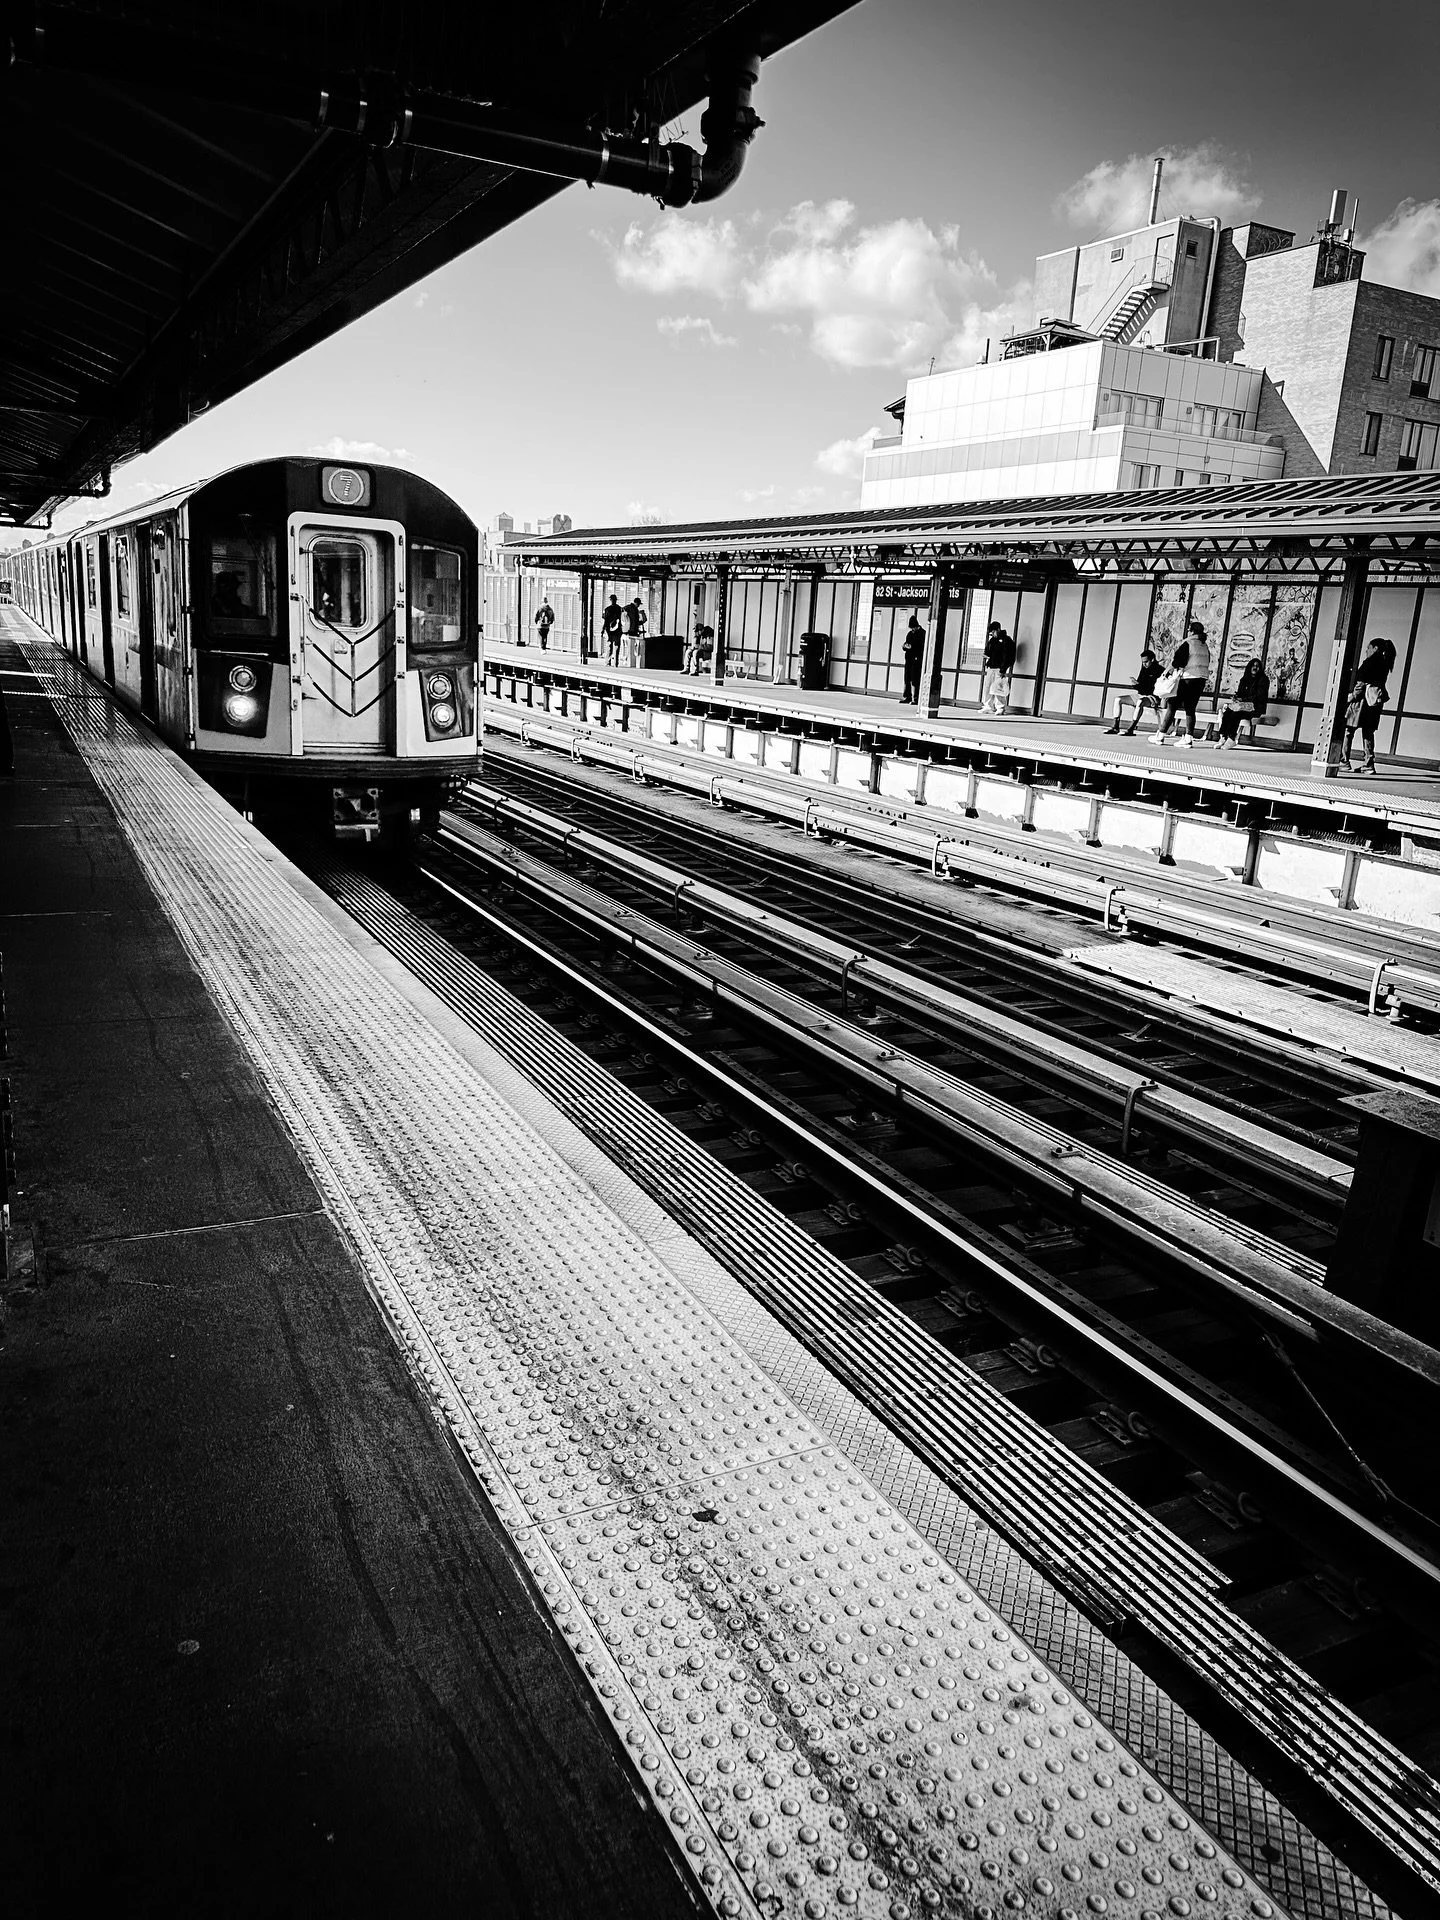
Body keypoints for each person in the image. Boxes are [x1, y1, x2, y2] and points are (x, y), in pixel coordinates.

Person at [1342, 637, 1396, 773]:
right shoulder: (1385, 663)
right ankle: (1369, 764)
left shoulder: (1369, 663)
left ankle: (1344, 761)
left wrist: (1350, 697)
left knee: (1348, 731)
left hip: (1360, 704)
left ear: (1375, 648)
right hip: (1374, 704)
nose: (1366, 650)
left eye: (1368, 647)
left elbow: (1359, 687)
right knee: (1368, 732)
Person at [1153, 619, 1211, 747]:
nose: (1188, 632)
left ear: (1192, 631)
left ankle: (1160, 735)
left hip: (1187, 679)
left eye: (1189, 630)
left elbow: (1177, 661)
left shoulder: (1188, 643)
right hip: (1201, 680)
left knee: (1172, 705)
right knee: (1190, 708)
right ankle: (1188, 738)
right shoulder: (1204, 645)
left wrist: (1166, 673)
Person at [1104, 646, 1161, 735]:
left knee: (1140, 702)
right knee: (1118, 699)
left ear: (1152, 660)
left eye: (1146, 662)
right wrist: (1135, 684)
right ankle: (1115, 726)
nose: (1144, 664)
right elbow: (1141, 686)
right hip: (1141, 694)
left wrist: (1138, 685)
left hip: (1152, 697)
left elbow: (1154, 688)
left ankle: (1131, 728)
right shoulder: (1144, 669)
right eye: (1143, 662)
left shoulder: (1160, 670)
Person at [1217, 657, 1271, 745]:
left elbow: (1259, 696)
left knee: (1236, 714)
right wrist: (1236, 697)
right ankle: (1223, 736)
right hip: (1242, 705)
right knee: (1228, 711)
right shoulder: (1245, 679)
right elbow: (1240, 693)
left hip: (1255, 708)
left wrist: (1243, 699)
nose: (1255, 668)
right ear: (1249, 667)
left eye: (1257, 666)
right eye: (1253, 665)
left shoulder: (1263, 680)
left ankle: (1231, 738)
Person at [980, 622, 1016, 713]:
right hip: (991, 667)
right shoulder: (992, 640)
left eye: (993, 631)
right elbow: (987, 651)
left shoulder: (1006, 640)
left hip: (999, 669)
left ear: (998, 629)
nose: (993, 634)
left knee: (998, 688)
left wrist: (1003, 669)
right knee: (988, 687)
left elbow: (1008, 656)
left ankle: (1000, 707)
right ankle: (988, 706)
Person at [900, 612, 925, 703]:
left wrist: (912, 647)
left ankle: (916, 698)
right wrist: (904, 646)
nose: (912, 629)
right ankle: (907, 696)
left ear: (916, 626)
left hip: (917, 660)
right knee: (907, 678)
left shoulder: (923, 634)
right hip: (909, 659)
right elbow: (906, 644)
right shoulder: (910, 634)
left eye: (913, 628)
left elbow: (922, 647)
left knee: (915, 679)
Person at [600, 593, 624, 665]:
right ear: (616, 600)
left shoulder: (607, 609)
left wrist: (603, 630)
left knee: (609, 645)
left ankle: (608, 661)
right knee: (616, 645)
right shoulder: (620, 609)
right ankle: (616, 663)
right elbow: (623, 619)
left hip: (609, 630)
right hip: (618, 630)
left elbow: (605, 621)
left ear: (610, 600)